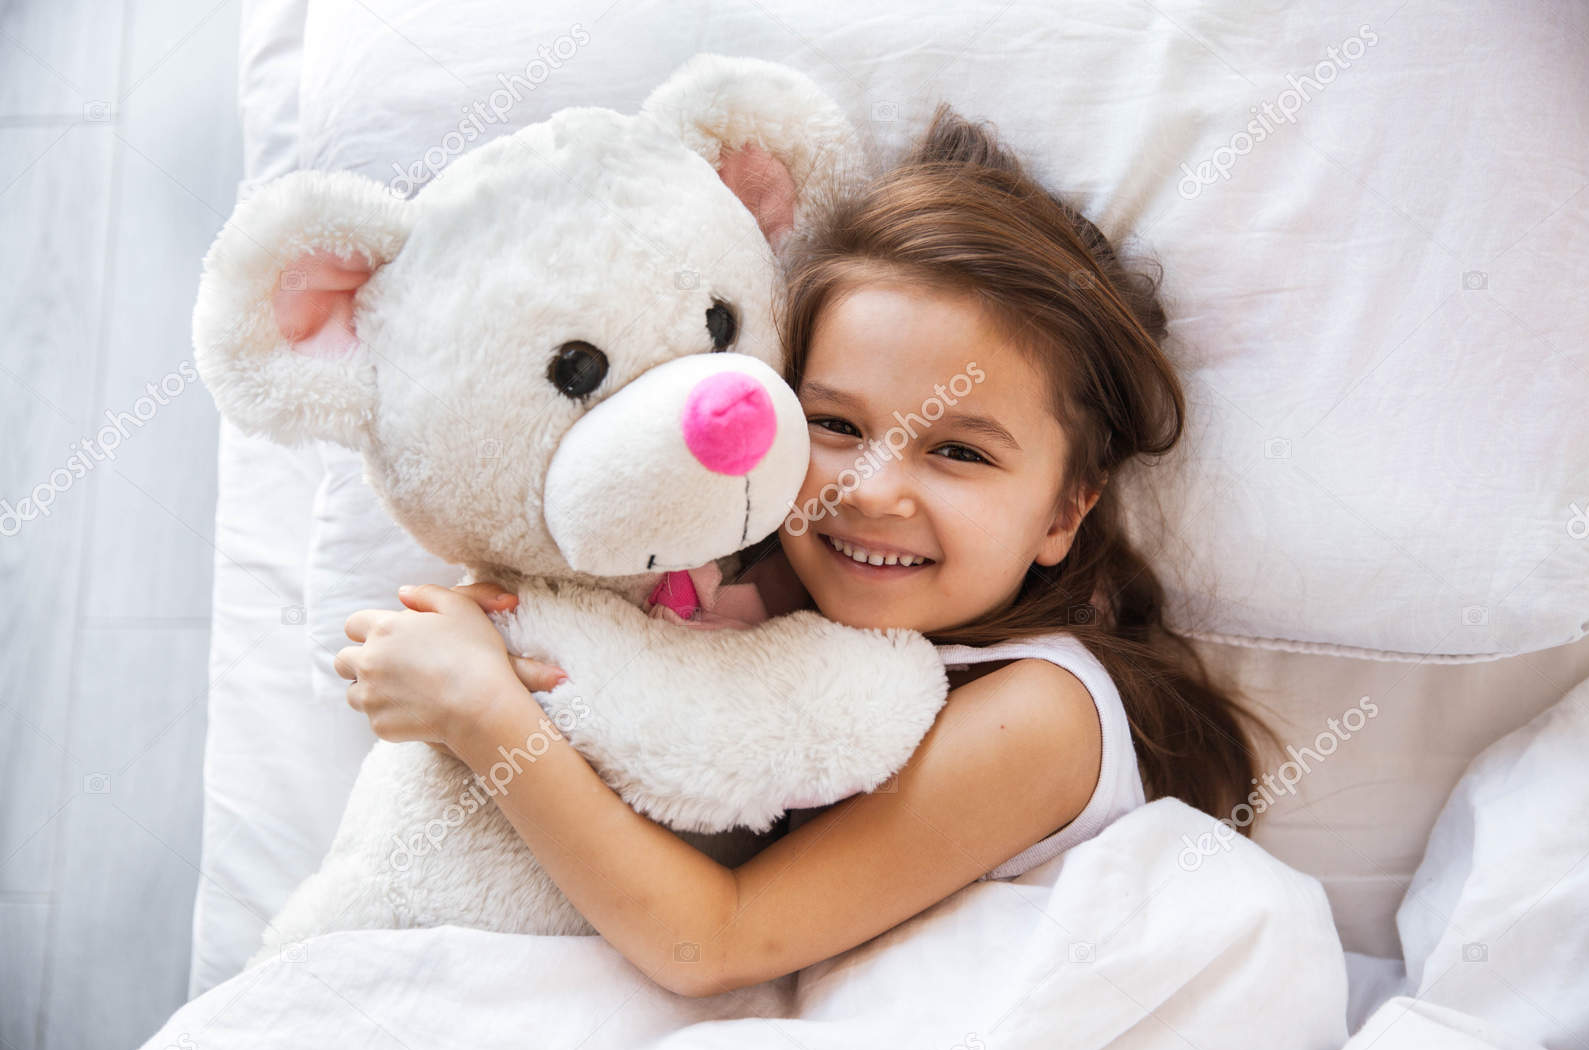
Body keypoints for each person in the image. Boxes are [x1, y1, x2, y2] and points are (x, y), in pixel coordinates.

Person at [334, 105, 1274, 998]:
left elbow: (715, 940)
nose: (872, 490)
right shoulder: (765, 607)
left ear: (1066, 509)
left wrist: (482, 713)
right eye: (835, 424)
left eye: (960, 452)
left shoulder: (1041, 711)